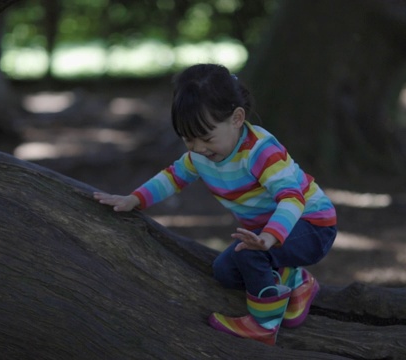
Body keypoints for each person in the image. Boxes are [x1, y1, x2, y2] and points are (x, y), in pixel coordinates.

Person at [93, 63, 337, 346]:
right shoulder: (200, 155)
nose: (197, 148)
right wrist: (134, 199)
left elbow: (292, 198)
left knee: (250, 257)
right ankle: (298, 283)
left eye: (206, 138)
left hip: (311, 223)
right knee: (225, 271)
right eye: (188, 139)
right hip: (265, 233)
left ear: (236, 118)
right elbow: (173, 177)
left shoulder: (260, 151)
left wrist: (269, 238)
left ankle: (264, 324)